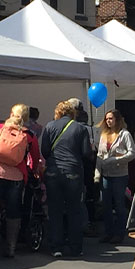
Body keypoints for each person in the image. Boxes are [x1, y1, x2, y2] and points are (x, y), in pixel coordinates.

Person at [0, 104, 41, 259]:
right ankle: (11, 249)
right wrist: (33, 171)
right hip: (16, 176)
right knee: (14, 211)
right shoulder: (29, 136)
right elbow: (34, 158)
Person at [40, 100, 94, 258]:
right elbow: (86, 153)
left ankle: (56, 246)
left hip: (53, 171)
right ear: (73, 113)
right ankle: (76, 247)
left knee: (55, 210)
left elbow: (44, 150)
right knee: (74, 210)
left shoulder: (50, 126)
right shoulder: (80, 128)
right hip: (73, 171)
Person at [94, 109, 135, 244]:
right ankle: (108, 232)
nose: (108, 121)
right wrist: (97, 172)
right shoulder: (104, 135)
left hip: (119, 174)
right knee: (106, 204)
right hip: (106, 174)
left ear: (117, 120)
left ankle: (120, 233)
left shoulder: (125, 135)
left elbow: (132, 153)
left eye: (111, 119)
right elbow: (100, 155)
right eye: (107, 119)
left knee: (119, 204)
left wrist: (118, 159)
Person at [67, 98, 98, 238]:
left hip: (76, 163)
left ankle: (81, 223)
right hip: (87, 162)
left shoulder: (70, 125)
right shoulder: (88, 128)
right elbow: (92, 149)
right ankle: (89, 222)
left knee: (79, 195)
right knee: (88, 194)